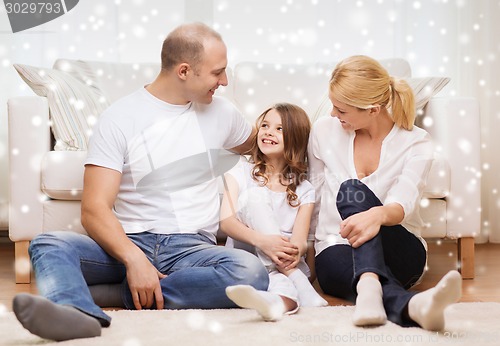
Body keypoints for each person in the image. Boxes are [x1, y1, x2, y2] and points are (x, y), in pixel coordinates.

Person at [12, 22, 269, 341]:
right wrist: (134, 259)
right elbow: (93, 209)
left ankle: (111, 297)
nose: (225, 81)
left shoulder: (223, 113)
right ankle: (74, 315)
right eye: (218, 72)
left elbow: (262, 147)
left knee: (250, 273)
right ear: (185, 71)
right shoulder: (119, 118)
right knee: (48, 244)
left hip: (191, 250)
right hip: (129, 242)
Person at [308, 55, 462, 330]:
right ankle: (414, 306)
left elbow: (402, 203)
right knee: (350, 202)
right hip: (337, 249)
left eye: (341, 110)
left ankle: (368, 285)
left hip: (400, 250)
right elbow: (314, 195)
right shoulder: (323, 131)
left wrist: (376, 216)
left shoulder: (416, 142)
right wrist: (306, 257)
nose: (333, 114)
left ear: (373, 110)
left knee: (351, 190)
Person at [219, 103, 328, 322]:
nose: (268, 132)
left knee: (283, 287)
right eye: (266, 125)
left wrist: (289, 255)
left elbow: (299, 241)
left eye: (279, 129)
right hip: (249, 262)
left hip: (288, 264)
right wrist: (264, 242)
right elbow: (227, 222)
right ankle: (298, 284)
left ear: (295, 138)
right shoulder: (240, 170)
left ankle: (273, 303)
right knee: (253, 197)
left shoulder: (304, 189)